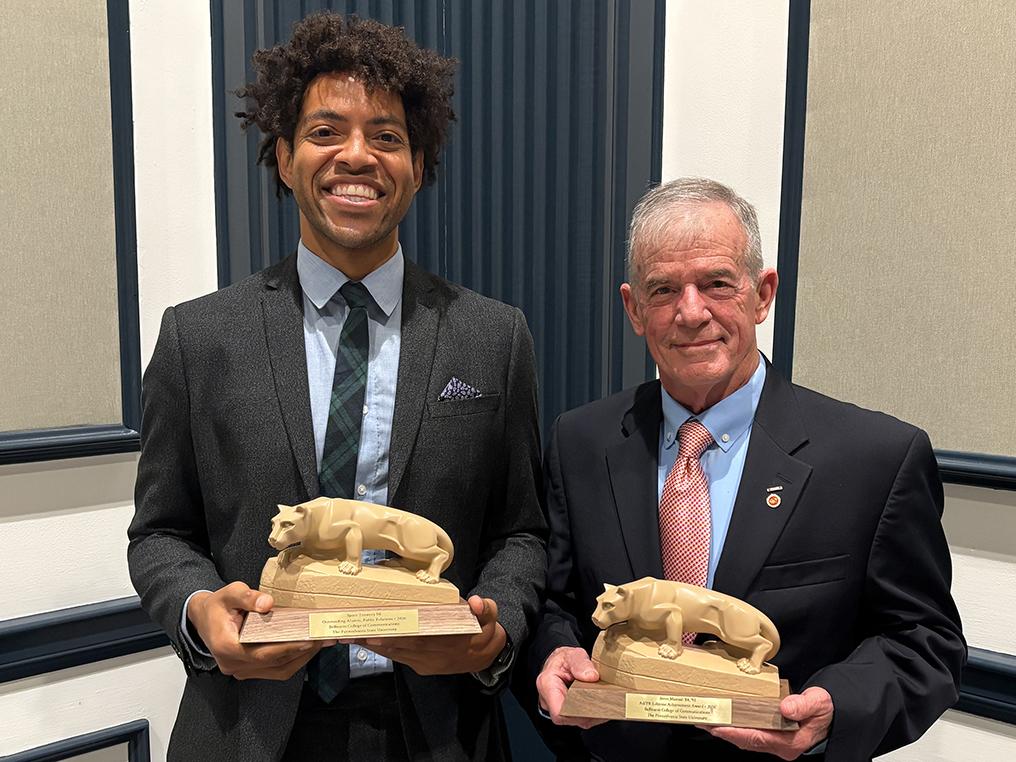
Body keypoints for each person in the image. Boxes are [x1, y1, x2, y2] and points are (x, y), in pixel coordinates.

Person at [127, 13, 546, 761]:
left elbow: (522, 532)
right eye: (326, 132)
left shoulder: (494, 336)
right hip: (246, 729)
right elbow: (160, 532)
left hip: (436, 729)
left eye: (386, 137)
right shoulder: (199, 337)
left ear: (418, 165)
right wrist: (198, 610)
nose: (357, 156)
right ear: (285, 157)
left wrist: (495, 629)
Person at [527, 177, 965, 761]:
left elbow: (925, 643)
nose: (690, 312)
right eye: (663, 290)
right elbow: (555, 602)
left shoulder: (876, 460)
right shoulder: (579, 441)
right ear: (634, 309)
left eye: (716, 284)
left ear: (762, 294)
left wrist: (836, 705)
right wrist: (555, 651)